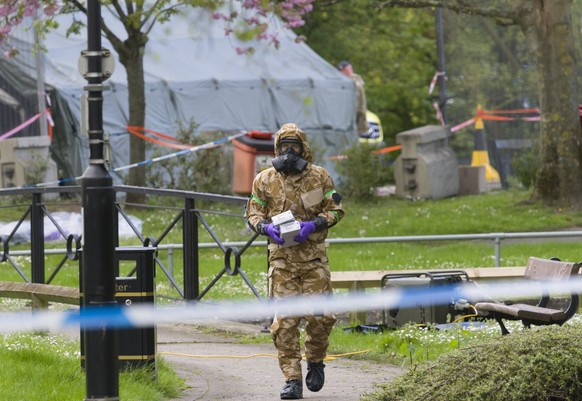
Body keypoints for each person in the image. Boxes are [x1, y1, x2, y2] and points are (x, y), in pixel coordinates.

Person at [245, 123, 345, 400]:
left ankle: (315, 359)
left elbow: (336, 209)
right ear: (277, 148)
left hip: (313, 259)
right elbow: (253, 213)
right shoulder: (263, 180)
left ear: (303, 148)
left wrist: (313, 225)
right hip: (282, 262)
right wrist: (265, 228)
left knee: (321, 318)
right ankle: (292, 379)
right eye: (284, 146)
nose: (289, 152)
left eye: (295, 146)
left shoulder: (320, 177)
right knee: (285, 324)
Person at [337, 60, 368, 137]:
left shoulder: (352, 83)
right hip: (357, 119)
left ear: (345, 70)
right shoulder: (357, 81)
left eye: (341, 71)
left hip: (353, 119)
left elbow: (353, 105)